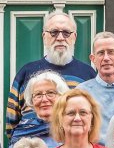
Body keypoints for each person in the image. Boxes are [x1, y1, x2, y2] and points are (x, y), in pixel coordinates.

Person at [5, 11, 93, 140]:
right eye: (54, 32)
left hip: (73, 145)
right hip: (31, 146)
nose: (60, 38)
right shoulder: (27, 72)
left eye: (66, 33)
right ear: (44, 37)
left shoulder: (87, 74)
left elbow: (94, 117)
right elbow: (11, 121)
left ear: (74, 37)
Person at [79, 31, 114, 144]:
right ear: (93, 58)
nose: (106, 58)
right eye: (101, 53)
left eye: (111, 52)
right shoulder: (82, 92)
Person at [9, 70, 69, 147]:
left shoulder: (71, 128)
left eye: (50, 93)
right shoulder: (22, 131)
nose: (44, 99)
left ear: (62, 97)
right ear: (31, 101)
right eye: (38, 94)